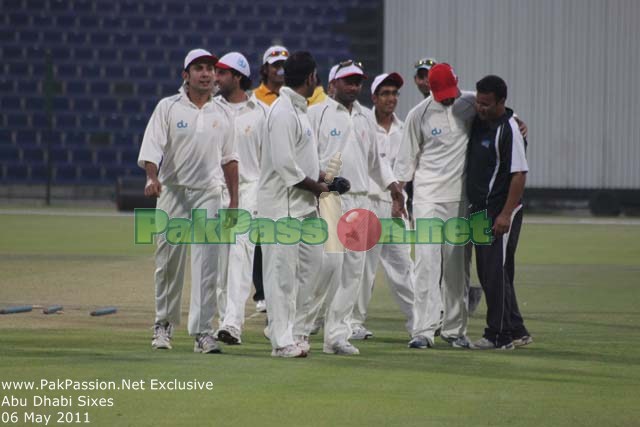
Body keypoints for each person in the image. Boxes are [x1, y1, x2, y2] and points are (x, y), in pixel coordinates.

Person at [138, 48, 239, 353]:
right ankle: (163, 324)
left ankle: (203, 332)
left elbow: (230, 160)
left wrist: (234, 202)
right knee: (168, 262)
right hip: (173, 191)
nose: (206, 74)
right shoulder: (168, 107)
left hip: (208, 193)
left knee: (208, 263)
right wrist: (152, 178)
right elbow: (152, 148)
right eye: (199, 68)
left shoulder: (223, 113)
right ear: (186, 75)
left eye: (210, 68)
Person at [307, 60, 405, 355]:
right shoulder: (316, 113)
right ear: (333, 83)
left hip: (361, 199)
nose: (354, 87)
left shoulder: (365, 118)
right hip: (330, 196)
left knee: (354, 272)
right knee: (328, 266)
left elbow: (377, 162)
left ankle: (336, 334)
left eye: (358, 82)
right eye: (348, 81)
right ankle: (303, 325)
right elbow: (307, 156)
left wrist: (393, 188)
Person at [394, 63, 475, 350]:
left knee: (456, 267)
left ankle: (454, 331)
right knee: (426, 264)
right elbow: (405, 161)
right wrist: (398, 197)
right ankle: (423, 330)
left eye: (451, 92)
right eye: (441, 94)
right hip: (427, 198)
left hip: (460, 199)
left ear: (458, 83)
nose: (447, 99)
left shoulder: (471, 102)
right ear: (430, 89)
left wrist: (517, 121)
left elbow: (500, 113)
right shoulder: (419, 114)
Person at [257, 51, 327, 358]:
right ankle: (281, 341)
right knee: (281, 277)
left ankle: (295, 330)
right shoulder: (283, 111)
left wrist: (324, 177)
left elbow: (303, 161)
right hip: (281, 209)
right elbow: (286, 167)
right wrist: (319, 187)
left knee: (317, 268)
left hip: (303, 207)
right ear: (310, 77)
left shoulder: (301, 111)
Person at [466, 75, 532, 350]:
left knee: (494, 271)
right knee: (493, 272)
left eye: (486, 104)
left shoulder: (510, 130)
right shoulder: (481, 122)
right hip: (480, 210)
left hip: (499, 211)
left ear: (501, 102)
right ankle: (516, 330)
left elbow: (519, 175)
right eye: (478, 102)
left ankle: (499, 335)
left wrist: (505, 215)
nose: (480, 108)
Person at [350, 72, 415, 339]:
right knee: (363, 270)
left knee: (403, 267)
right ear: (374, 98)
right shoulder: (362, 124)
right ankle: (353, 323)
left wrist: (399, 199)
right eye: (385, 93)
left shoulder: (404, 128)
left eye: (395, 93)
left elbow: (407, 166)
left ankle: (419, 322)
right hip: (368, 202)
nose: (391, 98)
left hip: (396, 205)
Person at [213, 52, 267, 345]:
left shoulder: (260, 112)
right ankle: (224, 321)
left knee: (240, 255)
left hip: (248, 191)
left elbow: (267, 160)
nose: (216, 77)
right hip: (214, 191)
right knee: (220, 261)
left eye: (222, 73)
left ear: (238, 77)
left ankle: (232, 323)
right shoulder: (211, 109)